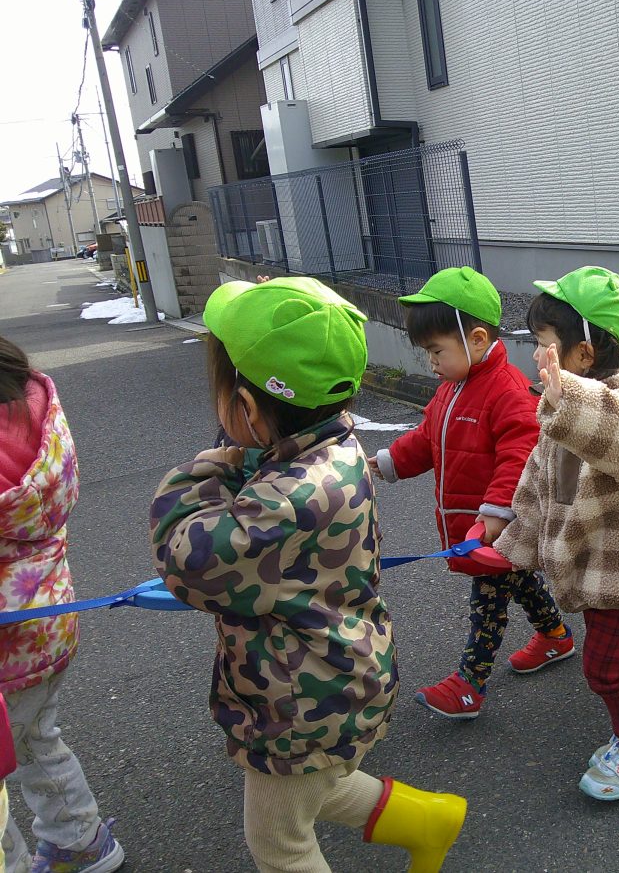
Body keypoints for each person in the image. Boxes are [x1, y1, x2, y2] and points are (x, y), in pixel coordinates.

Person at [149, 278, 465, 873]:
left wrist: (205, 471)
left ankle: (428, 821)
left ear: (248, 410)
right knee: (317, 788)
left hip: (300, 701)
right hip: (336, 675)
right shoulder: (333, 446)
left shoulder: (282, 500)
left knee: (279, 842)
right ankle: (428, 820)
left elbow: (188, 559)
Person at [493, 267, 619, 801]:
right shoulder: (563, 410)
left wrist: (568, 398)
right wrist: (510, 539)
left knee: (604, 666)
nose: (536, 354)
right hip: (597, 567)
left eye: (544, 343)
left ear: (583, 353)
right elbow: (541, 483)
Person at [371, 267, 573, 720]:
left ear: (477, 339)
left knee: (488, 602)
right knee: (518, 578)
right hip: (478, 524)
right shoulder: (452, 389)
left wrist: (498, 512)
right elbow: (426, 438)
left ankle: (469, 684)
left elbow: (519, 455)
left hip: (497, 524)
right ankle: (556, 636)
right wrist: (385, 463)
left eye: (436, 350)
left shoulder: (507, 391)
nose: (431, 362)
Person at [0, 335, 123, 873]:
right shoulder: (32, 401)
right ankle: (81, 841)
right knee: (34, 740)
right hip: (47, 620)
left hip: (8, 643)